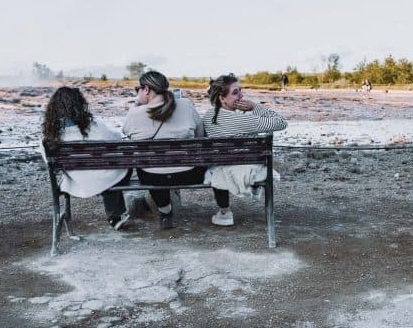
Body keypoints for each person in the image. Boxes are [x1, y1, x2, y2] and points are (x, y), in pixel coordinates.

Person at [122, 70, 228, 229]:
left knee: (154, 170)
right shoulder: (185, 105)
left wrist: (137, 106)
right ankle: (225, 211)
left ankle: (165, 211)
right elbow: (201, 136)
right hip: (191, 174)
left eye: (139, 89)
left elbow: (126, 133)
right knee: (214, 164)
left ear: (146, 89)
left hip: (152, 177)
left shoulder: (135, 113)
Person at [202, 73, 288, 226]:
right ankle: (254, 185)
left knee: (219, 165)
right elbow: (281, 122)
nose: (241, 95)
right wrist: (255, 107)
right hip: (246, 169)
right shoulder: (244, 120)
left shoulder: (208, 117)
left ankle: (225, 212)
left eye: (240, 90)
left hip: (221, 169)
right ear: (222, 98)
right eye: (235, 92)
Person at [41, 86, 130, 230]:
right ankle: (115, 215)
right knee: (113, 171)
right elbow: (117, 139)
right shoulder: (95, 125)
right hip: (106, 176)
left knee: (105, 173)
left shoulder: (50, 136)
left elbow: (49, 161)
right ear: (80, 104)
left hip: (78, 181)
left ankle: (117, 215)